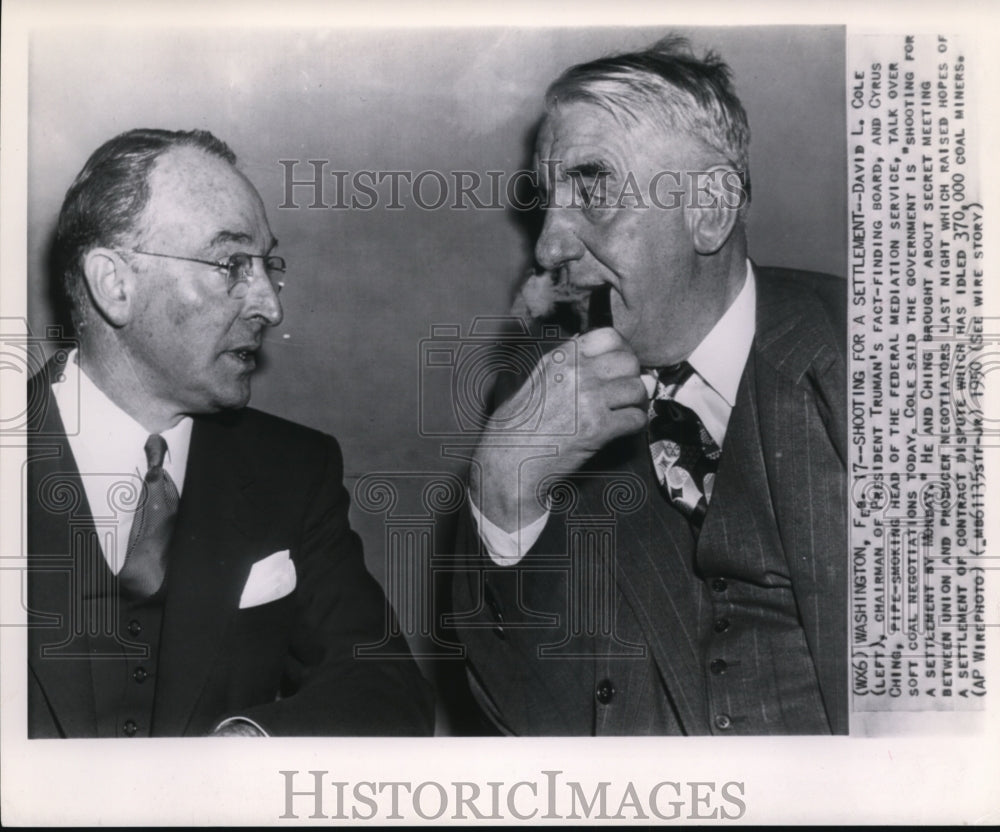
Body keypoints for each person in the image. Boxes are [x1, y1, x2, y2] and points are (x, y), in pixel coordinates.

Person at [452, 36, 847, 735]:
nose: (548, 248)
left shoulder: (877, 353)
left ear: (711, 208)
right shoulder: (536, 401)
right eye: (547, 203)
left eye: (594, 189)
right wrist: (503, 489)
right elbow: (536, 729)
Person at [27, 128, 434, 738]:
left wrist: (249, 752)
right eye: (231, 265)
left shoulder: (292, 470)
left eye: (268, 266)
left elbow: (386, 686)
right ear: (115, 285)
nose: (270, 306)